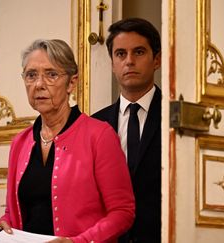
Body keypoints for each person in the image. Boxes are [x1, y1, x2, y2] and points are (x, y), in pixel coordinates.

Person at [0, 39, 135, 243]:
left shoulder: (99, 135)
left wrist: (78, 242)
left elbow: (123, 212)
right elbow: (14, 214)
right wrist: (2, 224)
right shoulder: (19, 142)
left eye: (51, 74)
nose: (39, 85)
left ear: (71, 83)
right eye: (31, 75)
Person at [92, 18, 161, 243]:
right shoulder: (95, 124)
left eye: (139, 52)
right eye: (121, 54)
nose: (129, 61)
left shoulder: (176, 118)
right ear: (112, 63)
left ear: (157, 59)